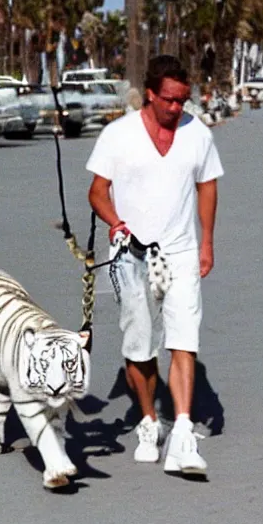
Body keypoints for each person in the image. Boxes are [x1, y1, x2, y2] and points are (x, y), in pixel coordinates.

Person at [86, 55, 224, 476]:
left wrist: (207, 243)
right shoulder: (118, 135)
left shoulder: (197, 134)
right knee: (140, 345)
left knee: (184, 339)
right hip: (130, 255)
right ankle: (149, 421)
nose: (177, 108)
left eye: (183, 99)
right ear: (150, 93)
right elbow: (97, 191)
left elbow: (207, 188)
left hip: (180, 252)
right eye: (169, 100)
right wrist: (116, 223)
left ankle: (182, 432)